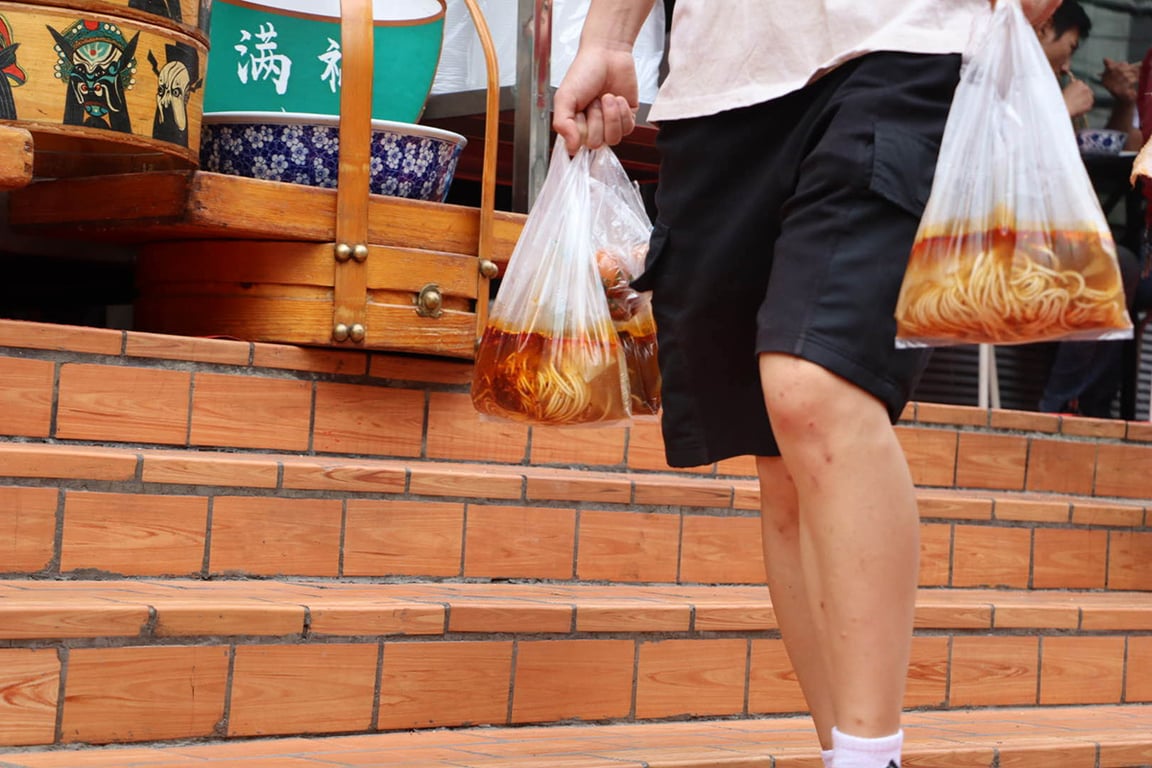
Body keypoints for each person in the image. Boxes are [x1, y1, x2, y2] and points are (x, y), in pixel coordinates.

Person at [553, 1, 1058, 767]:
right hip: (720, 86)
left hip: (904, 45)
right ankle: (847, 753)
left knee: (812, 386)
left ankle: (866, 755)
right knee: (779, 458)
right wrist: (611, 35)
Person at [1036, 0, 1142, 149]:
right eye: (1071, 47)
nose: (1067, 67)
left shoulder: (1045, 91)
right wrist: (1064, 109)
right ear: (1044, 28)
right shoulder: (1003, 78)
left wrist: (1124, 103)